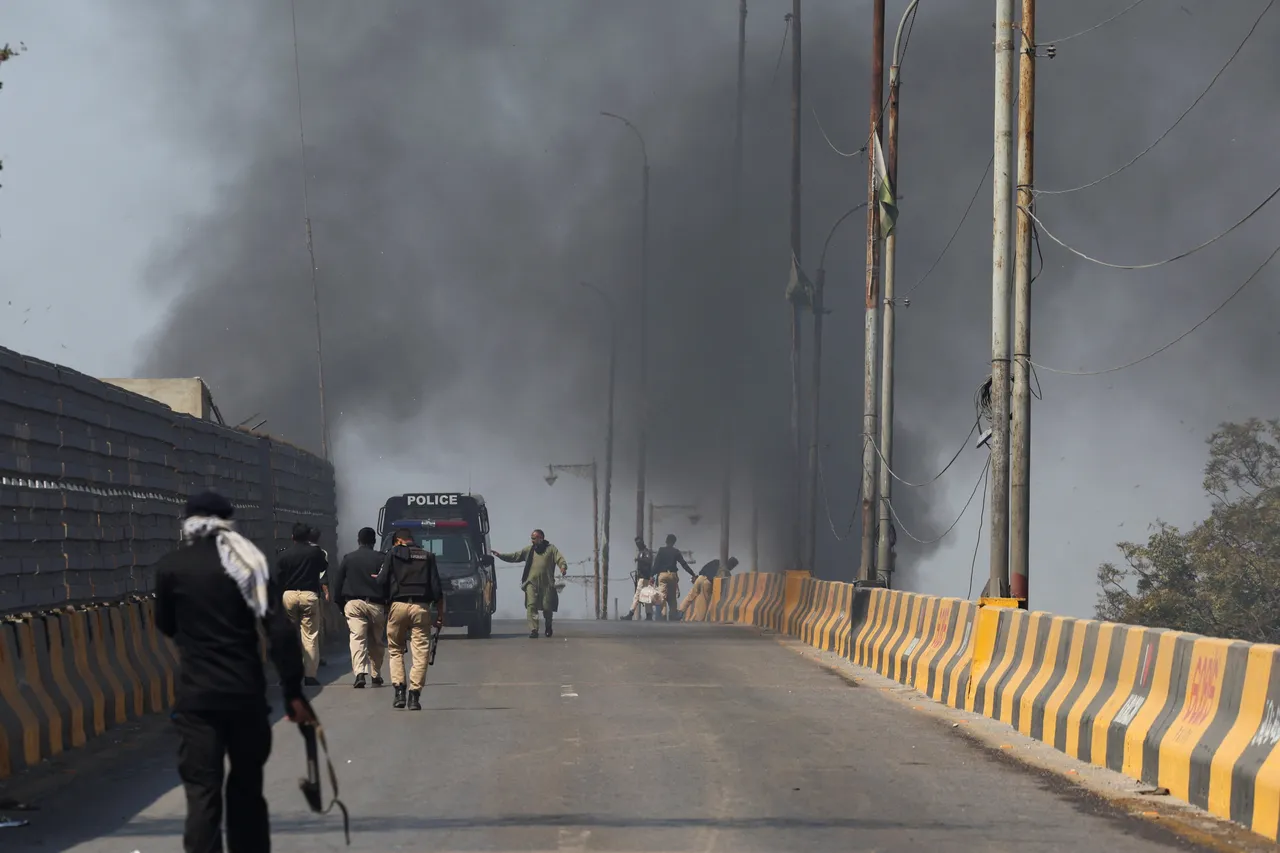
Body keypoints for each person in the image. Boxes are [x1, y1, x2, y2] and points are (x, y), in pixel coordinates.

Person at [154, 490, 314, 853]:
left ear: (189, 522)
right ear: (228, 520)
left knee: (202, 795)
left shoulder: (170, 566)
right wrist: (293, 692)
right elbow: (279, 632)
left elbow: (165, 624)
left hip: (196, 699)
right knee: (246, 791)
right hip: (245, 696)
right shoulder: (248, 563)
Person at [377, 527, 444, 711]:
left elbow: (381, 581)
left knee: (396, 650)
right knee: (421, 652)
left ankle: (399, 691)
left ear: (398, 540)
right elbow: (437, 590)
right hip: (421, 607)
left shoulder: (392, 554)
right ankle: (414, 695)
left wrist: (384, 606)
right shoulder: (428, 556)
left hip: (397, 606)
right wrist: (440, 615)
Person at [329, 526, 387, 689]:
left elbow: (338, 583)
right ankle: (376, 674)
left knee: (357, 638)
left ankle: (360, 673)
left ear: (358, 541)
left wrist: (341, 605)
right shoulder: (382, 558)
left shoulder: (349, 558)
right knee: (376, 641)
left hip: (353, 603)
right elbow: (388, 582)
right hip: (376, 604)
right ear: (374, 541)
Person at [274, 522, 328, 686]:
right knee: (310, 636)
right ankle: (310, 676)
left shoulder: (284, 554)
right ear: (308, 537)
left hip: (289, 595)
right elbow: (323, 567)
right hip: (309, 595)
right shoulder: (315, 552)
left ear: (292, 537)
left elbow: (278, 577)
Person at [492, 529, 568, 639]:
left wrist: (563, 567)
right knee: (531, 605)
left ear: (541, 538)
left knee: (547, 607)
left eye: (534, 538)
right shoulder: (529, 550)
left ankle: (548, 626)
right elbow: (515, 556)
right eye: (531, 538)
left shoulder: (551, 549)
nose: (532, 541)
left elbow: (560, 558)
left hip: (547, 584)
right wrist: (500, 555)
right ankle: (534, 629)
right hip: (531, 583)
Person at [651, 534, 697, 621]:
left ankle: (660, 616)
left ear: (666, 541)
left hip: (663, 575)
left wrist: (651, 575)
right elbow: (683, 564)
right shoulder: (676, 551)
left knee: (662, 596)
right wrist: (693, 574)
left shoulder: (661, 550)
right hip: (672, 575)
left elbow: (656, 564)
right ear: (674, 542)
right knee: (672, 598)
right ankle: (673, 617)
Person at [681, 556, 738, 621]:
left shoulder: (715, 561)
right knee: (704, 602)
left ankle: (680, 612)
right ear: (732, 565)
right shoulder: (726, 572)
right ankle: (700, 619)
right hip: (707, 582)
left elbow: (703, 569)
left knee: (690, 596)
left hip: (700, 578)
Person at [632, 537, 657, 621]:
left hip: (645, 577)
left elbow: (649, 561)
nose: (638, 545)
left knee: (637, 596)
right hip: (641, 577)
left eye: (639, 543)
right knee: (646, 596)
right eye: (636, 544)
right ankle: (649, 615)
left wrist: (639, 560)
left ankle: (630, 613)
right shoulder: (641, 552)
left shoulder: (646, 552)